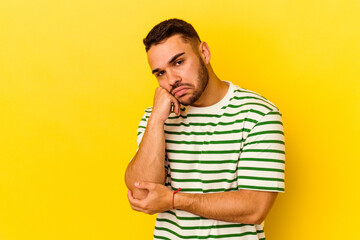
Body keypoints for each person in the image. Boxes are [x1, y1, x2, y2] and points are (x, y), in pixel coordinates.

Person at [125, 18, 285, 240]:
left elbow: (255, 207)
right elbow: (142, 194)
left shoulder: (257, 115)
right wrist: (155, 121)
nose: (172, 80)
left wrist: (174, 200)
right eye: (160, 73)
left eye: (178, 62)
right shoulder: (156, 119)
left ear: (204, 53)